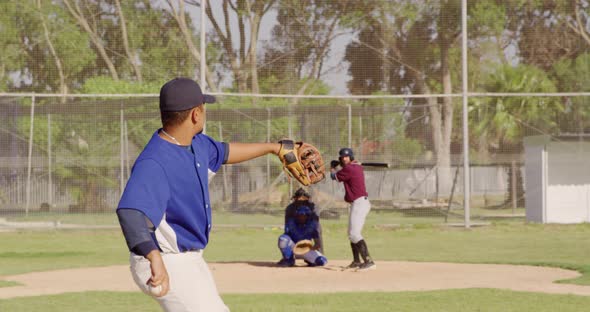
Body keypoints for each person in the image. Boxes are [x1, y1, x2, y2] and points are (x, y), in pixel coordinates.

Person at [116, 77, 286, 312]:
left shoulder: (196, 144)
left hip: (188, 259)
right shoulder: (155, 161)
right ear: (196, 114)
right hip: (163, 259)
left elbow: (225, 152)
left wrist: (274, 148)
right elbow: (130, 213)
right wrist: (154, 257)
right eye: (203, 108)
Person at [330, 147, 376, 271]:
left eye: (346, 157)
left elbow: (333, 176)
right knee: (351, 234)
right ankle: (356, 261)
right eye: (342, 157)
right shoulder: (356, 167)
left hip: (360, 203)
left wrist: (333, 167)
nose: (344, 159)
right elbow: (347, 170)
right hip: (358, 203)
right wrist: (341, 166)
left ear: (351, 157)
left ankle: (369, 261)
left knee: (355, 234)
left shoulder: (350, 168)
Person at [278, 188, 323, 261]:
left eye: (303, 200)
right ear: (295, 199)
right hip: (294, 233)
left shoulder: (312, 207)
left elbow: (316, 227)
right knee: (283, 239)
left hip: (308, 234)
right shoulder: (290, 208)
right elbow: (287, 228)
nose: (301, 203)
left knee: (320, 260)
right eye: (299, 201)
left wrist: (317, 243)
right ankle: (288, 257)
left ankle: (317, 253)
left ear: (307, 199)